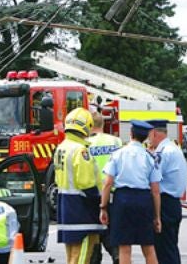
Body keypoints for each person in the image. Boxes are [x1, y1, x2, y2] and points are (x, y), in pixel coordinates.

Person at [100, 120, 161, 264]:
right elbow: (155, 190)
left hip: (123, 200)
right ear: (146, 137)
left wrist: (103, 207)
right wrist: (157, 216)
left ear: (130, 134)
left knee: (124, 248)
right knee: (148, 247)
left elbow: (108, 183)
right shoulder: (150, 157)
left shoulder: (118, 154)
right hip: (143, 200)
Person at [56, 108, 105, 264]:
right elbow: (86, 182)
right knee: (82, 255)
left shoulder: (61, 147)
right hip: (81, 209)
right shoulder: (80, 150)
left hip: (66, 206)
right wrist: (99, 200)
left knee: (72, 255)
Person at [147, 120, 187, 264]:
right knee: (170, 247)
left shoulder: (162, 152)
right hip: (173, 204)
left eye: (149, 134)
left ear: (154, 133)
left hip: (164, 204)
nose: (148, 139)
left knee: (164, 251)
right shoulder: (173, 148)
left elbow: (152, 179)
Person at [88, 111, 122, 264]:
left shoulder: (86, 143)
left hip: (93, 193)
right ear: (103, 124)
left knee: (94, 233)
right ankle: (117, 254)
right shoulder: (116, 142)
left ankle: (96, 258)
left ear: (89, 125)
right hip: (114, 194)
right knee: (112, 230)